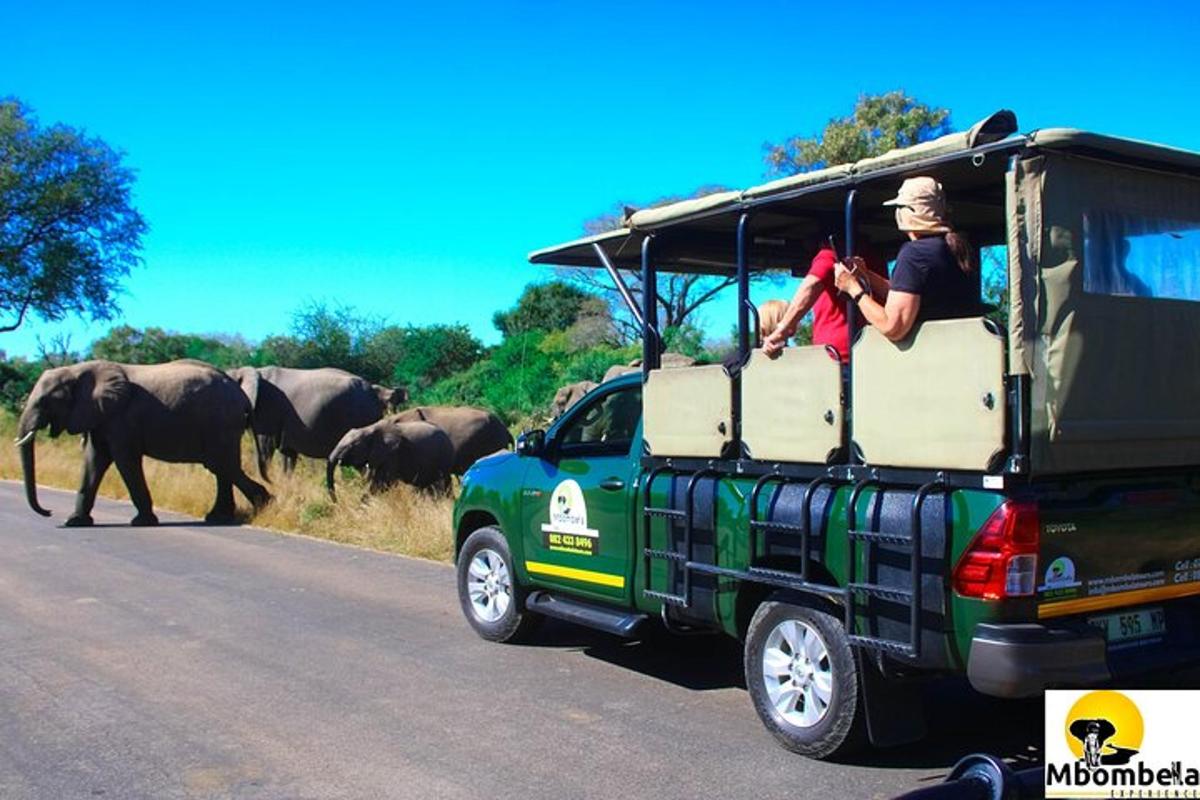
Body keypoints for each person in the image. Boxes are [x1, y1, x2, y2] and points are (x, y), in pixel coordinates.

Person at [833, 176, 977, 342]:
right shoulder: (955, 247)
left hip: (925, 359)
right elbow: (908, 296)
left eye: (900, 207)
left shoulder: (915, 254)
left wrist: (853, 289)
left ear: (908, 212)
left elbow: (893, 328)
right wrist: (866, 275)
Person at [762, 233, 884, 362]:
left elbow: (811, 286)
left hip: (837, 358)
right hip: (871, 353)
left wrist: (783, 329)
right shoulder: (874, 257)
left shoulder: (830, 254)